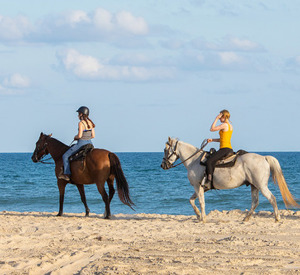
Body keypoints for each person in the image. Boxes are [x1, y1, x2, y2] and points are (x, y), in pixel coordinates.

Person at [59, 106, 95, 181]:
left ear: (82, 114)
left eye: (79, 113)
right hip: (90, 143)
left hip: (81, 143)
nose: (78, 115)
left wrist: (75, 137)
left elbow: (80, 136)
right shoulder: (91, 123)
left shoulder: (81, 123)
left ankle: (67, 175)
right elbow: (93, 136)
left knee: (65, 156)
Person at [203, 109, 233, 188]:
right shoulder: (230, 126)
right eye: (219, 118)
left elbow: (212, 129)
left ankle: (209, 181)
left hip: (224, 149)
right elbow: (223, 139)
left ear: (224, 116)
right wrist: (212, 140)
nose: (219, 119)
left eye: (220, 117)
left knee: (209, 161)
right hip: (228, 148)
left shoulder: (225, 125)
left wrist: (216, 118)